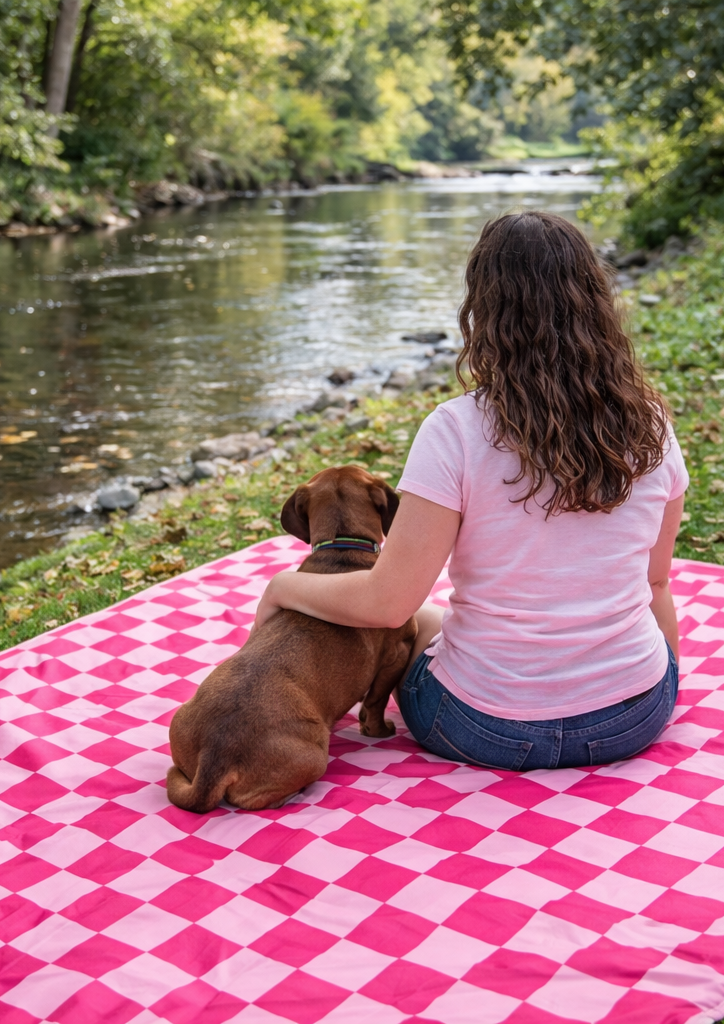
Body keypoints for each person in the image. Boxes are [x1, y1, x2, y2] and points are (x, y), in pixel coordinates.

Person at [254, 210, 688, 770]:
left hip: (486, 726)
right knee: (431, 619)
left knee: (417, 623)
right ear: (596, 303)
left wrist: (284, 587)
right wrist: (661, 685)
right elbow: (656, 582)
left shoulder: (455, 430)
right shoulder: (651, 423)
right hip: (631, 718)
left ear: (484, 311)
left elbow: (389, 603)